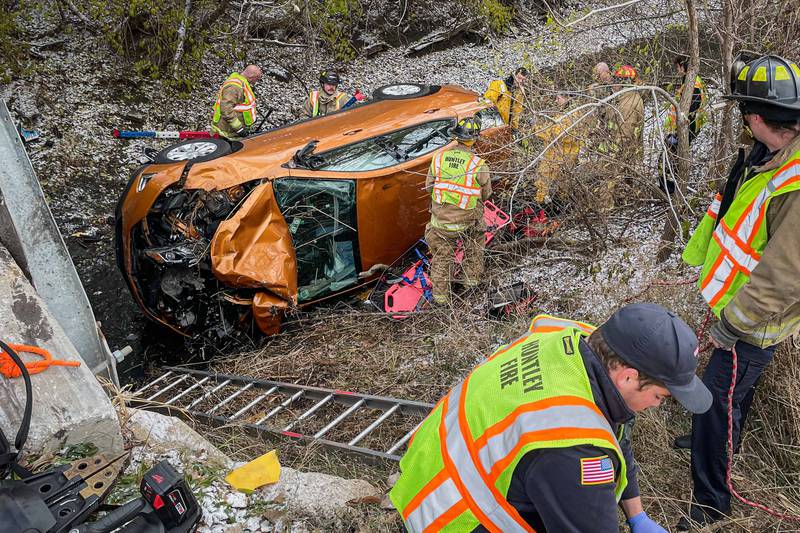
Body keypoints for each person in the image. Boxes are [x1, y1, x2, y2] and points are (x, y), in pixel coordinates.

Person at [390, 303, 712, 532]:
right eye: (659, 396)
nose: (657, 405)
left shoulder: (577, 344)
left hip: (431, 468)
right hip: (449, 518)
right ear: (628, 377)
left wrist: (636, 515)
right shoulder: (572, 449)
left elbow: (618, 431)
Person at [677, 54, 800, 530]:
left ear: (752, 114)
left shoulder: (793, 184)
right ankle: (724, 441)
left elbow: (785, 276)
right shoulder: (763, 156)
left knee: (713, 402)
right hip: (738, 308)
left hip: (753, 324)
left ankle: (711, 505)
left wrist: (733, 325)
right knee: (731, 397)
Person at [424, 117, 492, 305]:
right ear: (475, 139)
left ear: (456, 137)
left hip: (441, 223)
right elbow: (485, 195)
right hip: (468, 221)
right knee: (476, 243)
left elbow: (429, 187)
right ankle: (470, 283)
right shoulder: (478, 165)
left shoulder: (438, 159)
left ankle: (441, 299)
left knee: (442, 258)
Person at [534, 92, 585, 206]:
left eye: (558, 98)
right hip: (563, 154)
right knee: (563, 182)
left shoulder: (571, 115)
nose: (556, 101)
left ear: (567, 98)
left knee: (544, 179)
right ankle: (558, 204)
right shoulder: (570, 112)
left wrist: (537, 129)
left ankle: (540, 205)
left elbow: (555, 134)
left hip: (559, 155)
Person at [664, 55, 709, 146]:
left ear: (683, 66)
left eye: (677, 67)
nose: (677, 69)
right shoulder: (688, 80)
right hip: (683, 125)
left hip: (688, 125)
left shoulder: (693, 83)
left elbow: (692, 106)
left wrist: (683, 122)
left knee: (674, 150)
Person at [211, 65, 262, 139]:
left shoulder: (242, 83)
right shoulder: (234, 87)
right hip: (227, 131)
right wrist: (238, 128)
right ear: (251, 77)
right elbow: (226, 108)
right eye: (256, 79)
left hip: (232, 129)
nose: (256, 81)